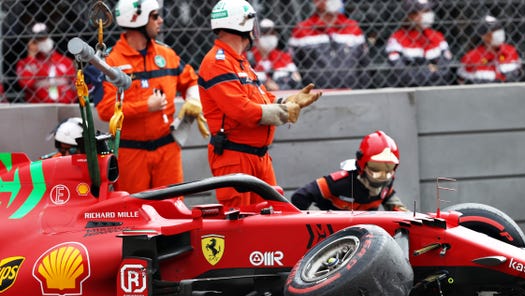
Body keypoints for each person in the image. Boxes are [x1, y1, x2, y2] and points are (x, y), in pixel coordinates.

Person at [199, 0, 322, 208]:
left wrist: (290, 101)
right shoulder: (217, 63)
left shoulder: (240, 61)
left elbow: (263, 98)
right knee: (242, 226)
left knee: (269, 223)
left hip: (258, 158)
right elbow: (242, 111)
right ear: (240, 24)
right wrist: (284, 112)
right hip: (236, 158)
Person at [96, 0, 206, 194]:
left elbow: (191, 80)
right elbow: (105, 110)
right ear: (137, 19)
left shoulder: (167, 54)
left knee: (174, 210)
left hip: (167, 150)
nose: (161, 21)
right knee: (134, 213)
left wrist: (194, 99)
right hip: (131, 153)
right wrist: (145, 106)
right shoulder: (111, 61)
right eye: (155, 16)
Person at [291, 130, 407, 211]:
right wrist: (320, 219)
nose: (383, 176)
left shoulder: (386, 184)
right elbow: (299, 197)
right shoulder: (339, 182)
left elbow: (394, 204)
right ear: (363, 164)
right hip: (331, 238)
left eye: (388, 169)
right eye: (376, 168)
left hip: (362, 236)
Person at [288, 0, 369, 89]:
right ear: (316, 2)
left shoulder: (353, 27)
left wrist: (360, 89)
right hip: (316, 94)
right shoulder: (302, 29)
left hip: (351, 91)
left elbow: (364, 63)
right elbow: (293, 64)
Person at [385, 0, 454, 87]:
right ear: (412, 16)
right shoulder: (397, 39)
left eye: (429, 10)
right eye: (425, 11)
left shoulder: (437, 36)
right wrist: (430, 71)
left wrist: (419, 70)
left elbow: (445, 71)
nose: (430, 14)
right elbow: (403, 74)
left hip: (438, 89)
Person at [16, 22, 77, 103]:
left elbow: (77, 86)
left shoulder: (65, 61)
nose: (42, 41)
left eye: (44, 38)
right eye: (38, 40)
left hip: (65, 105)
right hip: (39, 108)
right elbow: (25, 83)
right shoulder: (24, 63)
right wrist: (31, 56)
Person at [457, 15, 522, 84]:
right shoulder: (471, 57)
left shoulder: (510, 50)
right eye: (493, 30)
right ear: (484, 36)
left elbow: (518, 74)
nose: (499, 33)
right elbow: (462, 81)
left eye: (499, 29)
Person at [247, 18, 302, 91]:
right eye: (265, 33)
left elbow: (297, 79)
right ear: (256, 37)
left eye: (272, 33)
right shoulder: (248, 57)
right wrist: (266, 83)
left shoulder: (283, 56)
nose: (269, 36)